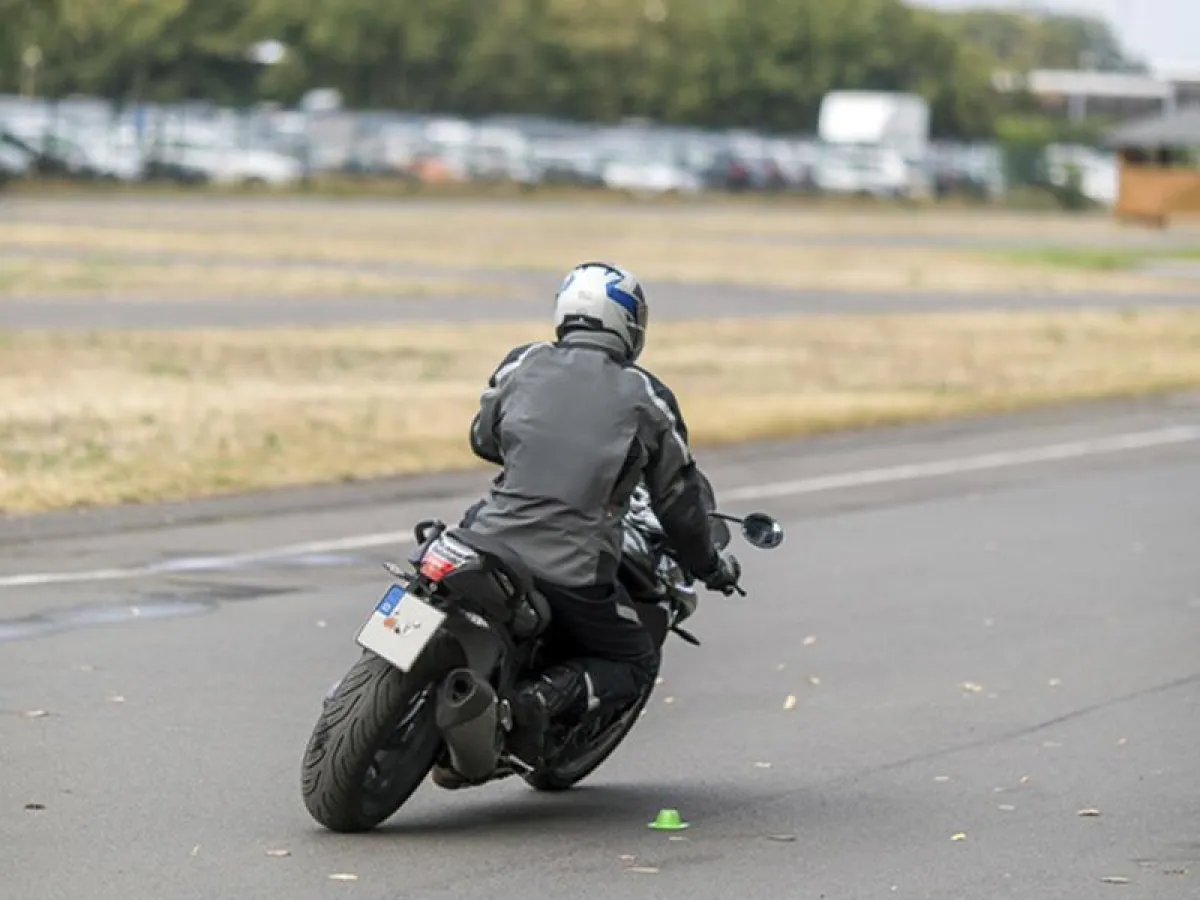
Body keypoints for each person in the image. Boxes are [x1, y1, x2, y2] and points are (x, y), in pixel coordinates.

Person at [432, 261, 741, 787]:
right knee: (634, 660)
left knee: (428, 577)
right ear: (631, 325)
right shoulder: (646, 396)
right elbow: (680, 502)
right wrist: (711, 566)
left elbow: (484, 439)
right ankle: (536, 700)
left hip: (477, 537)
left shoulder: (522, 362)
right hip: (568, 566)